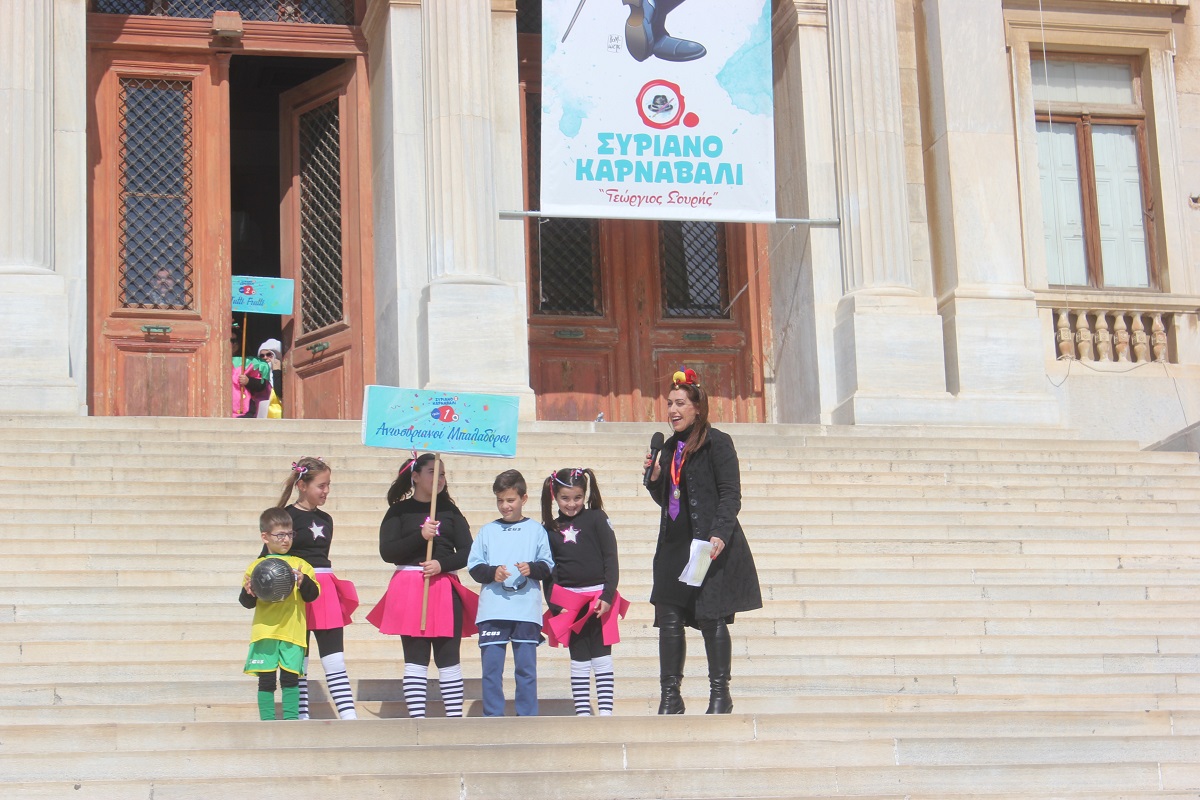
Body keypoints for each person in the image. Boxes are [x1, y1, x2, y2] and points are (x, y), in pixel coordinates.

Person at [643, 368, 762, 714]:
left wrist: (720, 532)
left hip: (706, 545)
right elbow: (669, 500)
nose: (672, 410)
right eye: (669, 403)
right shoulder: (668, 448)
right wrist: (655, 480)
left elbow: (731, 494)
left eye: (680, 403)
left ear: (697, 407)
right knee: (669, 619)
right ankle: (671, 696)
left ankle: (720, 695)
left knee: (712, 617)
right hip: (673, 546)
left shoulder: (717, 442)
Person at [367, 454, 479, 718]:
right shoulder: (399, 511)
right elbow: (388, 552)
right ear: (415, 476)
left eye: (443, 474)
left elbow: (469, 551)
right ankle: (417, 719)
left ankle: (453, 719)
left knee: (448, 656)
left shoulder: (450, 511)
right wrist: (420, 536)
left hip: (444, 585)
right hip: (409, 586)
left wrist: (442, 564)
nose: (439, 479)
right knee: (415, 657)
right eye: (433, 472)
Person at [270, 456, 360, 719]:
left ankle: (349, 716)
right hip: (295, 591)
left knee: (335, 658)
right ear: (302, 485)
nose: (326, 491)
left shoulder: (326, 519)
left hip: (325, 589)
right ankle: (302, 716)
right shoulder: (286, 517)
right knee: (299, 659)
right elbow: (268, 556)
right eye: (321, 485)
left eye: (328, 485)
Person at [540, 467, 628, 716]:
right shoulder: (549, 528)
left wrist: (607, 596)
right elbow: (549, 572)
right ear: (554, 496)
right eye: (565, 498)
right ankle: (582, 712)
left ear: (585, 494)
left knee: (602, 656)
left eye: (577, 497)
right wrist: (556, 605)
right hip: (570, 602)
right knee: (578, 657)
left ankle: (606, 712)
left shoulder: (597, 518)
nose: (571, 504)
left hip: (599, 598)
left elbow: (611, 559)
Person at [467, 470, 554, 717]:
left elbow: (547, 565)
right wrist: (492, 572)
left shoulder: (536, 530)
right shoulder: (487, 531)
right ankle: (493, 716)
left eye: (510, 500)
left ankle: (526, 717)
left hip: (526, 610)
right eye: (500, 500)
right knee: (491, 670)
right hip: (493, 610)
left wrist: (532, 568)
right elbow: (474, 566)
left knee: (526, 669)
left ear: (523, 499)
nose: (505, 506)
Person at [240, 507, 320, 720]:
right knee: (266, 680)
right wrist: (249, 592)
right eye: (280, 535)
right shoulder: (256, 567)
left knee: (290, 680)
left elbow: (313, 596)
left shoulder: (302, 566)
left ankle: (291, 721)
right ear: (265, 537)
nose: (286, 540)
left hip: (292, 633)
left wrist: (304, 582)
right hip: (265, 633)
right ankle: (267, 721)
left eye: (290, 534)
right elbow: (246, 602)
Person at [256, 339, 284, 419]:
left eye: (269, 354)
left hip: (279, 415)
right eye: (262, 356)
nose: (265, 358)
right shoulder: (257, 373)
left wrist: (276, 371)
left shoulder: (284, 373)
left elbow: (279, 393)